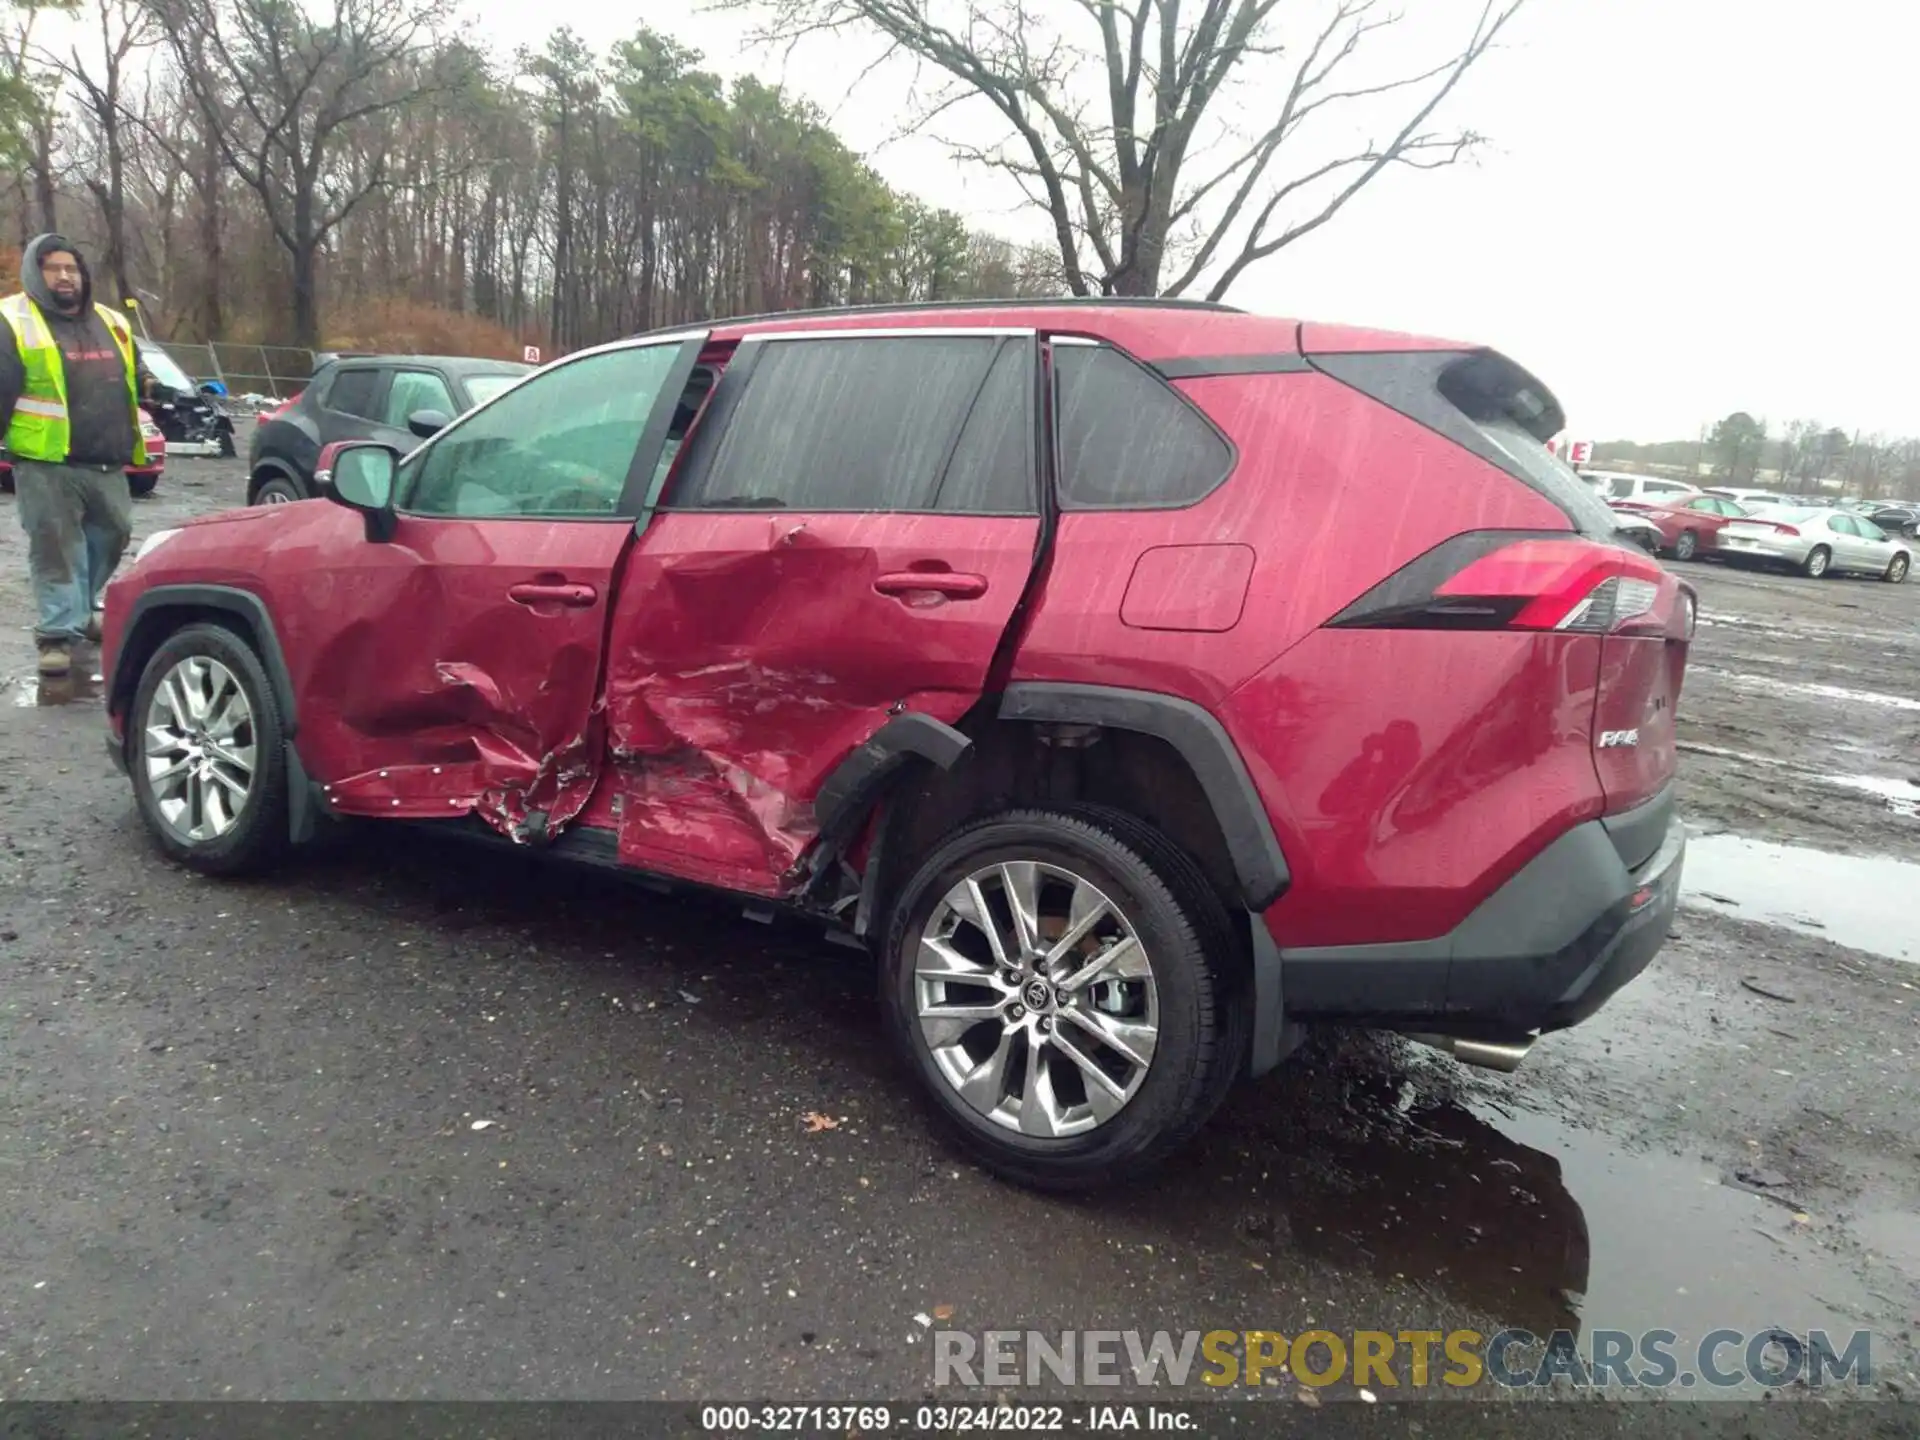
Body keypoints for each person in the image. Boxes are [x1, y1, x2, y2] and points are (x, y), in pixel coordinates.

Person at [0, 233, 178, 677]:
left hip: (107, 458)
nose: (65, 276)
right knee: (56, 548)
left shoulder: (111, 320)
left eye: (71, 268)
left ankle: (79, 608)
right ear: (34, 274)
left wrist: (156, 391)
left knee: (116, 532)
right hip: (46, 461)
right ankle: (58, 635)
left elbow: (134, 373)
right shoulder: (11, 320)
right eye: (54, 268)